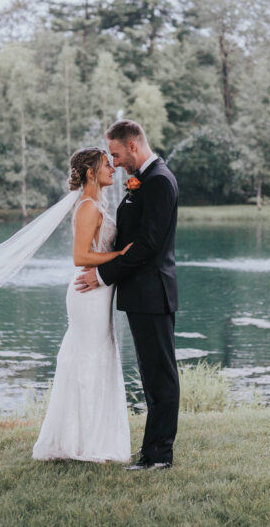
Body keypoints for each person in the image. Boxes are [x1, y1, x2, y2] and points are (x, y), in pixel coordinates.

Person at [75, 120, 180, 471]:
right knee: (150, 376)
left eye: (117, 154)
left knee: (161, 377)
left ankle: (160, 455)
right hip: (140, 295)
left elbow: (148, 245)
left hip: (153, 294)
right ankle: (151, 452)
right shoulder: (145, 181)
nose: (115, 163)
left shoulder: (160, 181)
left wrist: (103, 273)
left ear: (133, 146)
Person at [32, 148, 133, 463]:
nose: (112, 170)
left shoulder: (96, 204)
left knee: (98, 357)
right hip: (87, 294)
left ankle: (87, 437)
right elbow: (80, 257)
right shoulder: (88, 207)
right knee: (88, 359)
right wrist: (119, 256)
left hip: (98, 292)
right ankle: (79, 442)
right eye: (106, 165)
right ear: (91, 173)